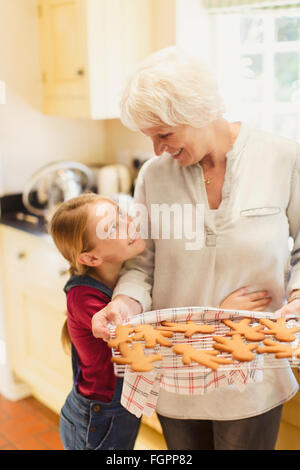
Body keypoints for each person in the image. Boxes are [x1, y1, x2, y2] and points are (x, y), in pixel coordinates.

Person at [91, 47, 300, 450]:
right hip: (176, 367)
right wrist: (124, 305)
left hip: (250, 368)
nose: (156, 150)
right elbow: (142, 266)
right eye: (149, 137)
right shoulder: (154, 176)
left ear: (200, 110)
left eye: (164, 135)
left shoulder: (283, 157)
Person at [49, 193, 145, 450]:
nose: (129, 223)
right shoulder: (84, 297)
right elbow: (134, 340)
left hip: (115, 411)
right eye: (112, 227)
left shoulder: (122, 274)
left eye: (121, 214)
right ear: (91, 258)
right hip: (96, 417)